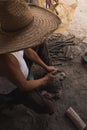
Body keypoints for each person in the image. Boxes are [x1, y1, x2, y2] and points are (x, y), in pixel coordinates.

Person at [0, 0, 61, 114]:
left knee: (40, 42)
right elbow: (23, 85)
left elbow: (28, 51)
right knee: (49, 108)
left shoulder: (13, 33)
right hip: (15, 87)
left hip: (19, 70)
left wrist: (46, 67)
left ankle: (48, 74)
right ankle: (12, 100)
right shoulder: (5, 59)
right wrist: (45, 80)